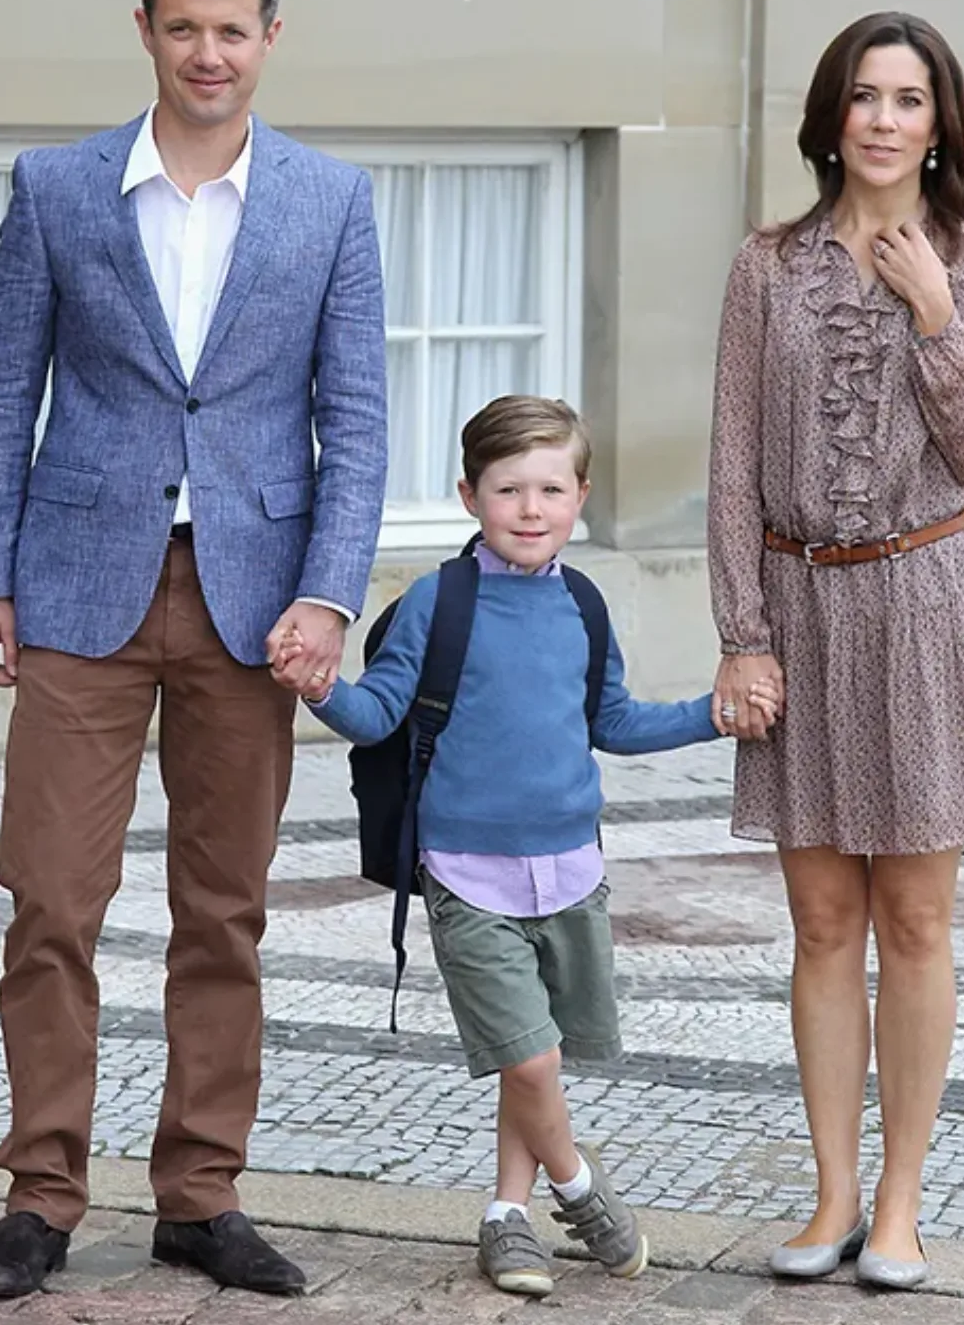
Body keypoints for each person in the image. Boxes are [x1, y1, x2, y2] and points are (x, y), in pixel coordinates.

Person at [0, 0, 387, 1299]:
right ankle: (40, 1192)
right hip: (76, 591)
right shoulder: (53, 190)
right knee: (50, 899)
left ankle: (198, 1196)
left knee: (223, 911)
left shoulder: (330, 203)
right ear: (145, 28)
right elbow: (5, 395)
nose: (207, 53)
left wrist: (332, 594)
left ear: (268, 36)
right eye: (183, 27)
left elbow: (357, 416)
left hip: (252, 600)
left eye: (232, 29)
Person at [287, 395, 778, 1300]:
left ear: (580, 497)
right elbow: (378, 715)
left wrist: (713, 718)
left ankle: (506, 1221)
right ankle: (583, 1193)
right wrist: (321, 689)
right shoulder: (438, 601)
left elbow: (613, 722)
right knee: (532, 1057)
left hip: (571, 872)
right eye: (508, 488)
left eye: (550, 488)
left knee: (537, 1051)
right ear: (469, 494)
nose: (530, 507)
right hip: (465, 875)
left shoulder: (584, 604)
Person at [709, 11, 964, 1292]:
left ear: (941, 126)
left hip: (926, 606)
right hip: (800, 610)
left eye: (909, 99)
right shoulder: (763, 266)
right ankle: (828, 1197)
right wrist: (740, 636)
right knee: (823, 922)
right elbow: (725, 467)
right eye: (863, 97)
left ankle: (900, 1209)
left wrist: (935, 313)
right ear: (831, 119)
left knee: (917, 920)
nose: (884, 119)